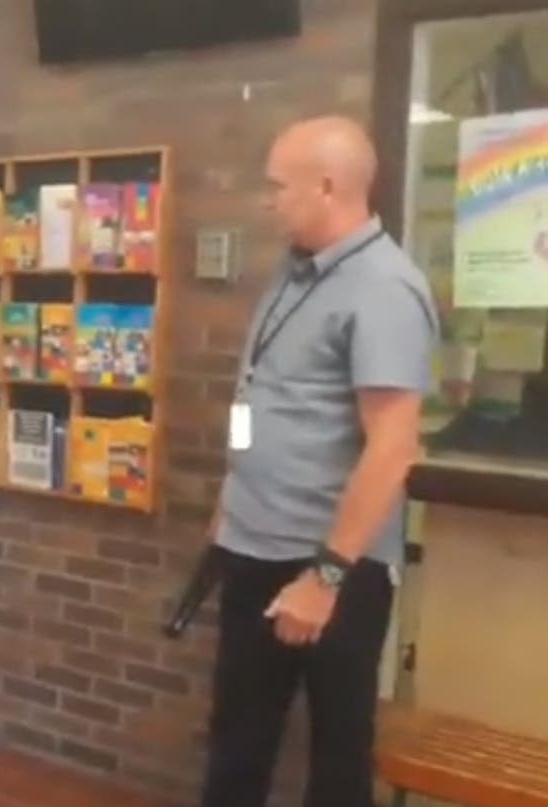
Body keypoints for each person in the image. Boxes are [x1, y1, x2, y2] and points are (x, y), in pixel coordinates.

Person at [201, 116, 438, 807]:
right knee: (236, 742)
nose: (267, 199)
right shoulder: (294, 271)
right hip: (253, 543)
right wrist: (231, 497)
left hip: (331, 565)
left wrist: (325, 577)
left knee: (336, 760)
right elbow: (260, 391)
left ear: (327, 186)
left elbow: (393, 445)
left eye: (279, 185)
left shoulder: (385, 288)